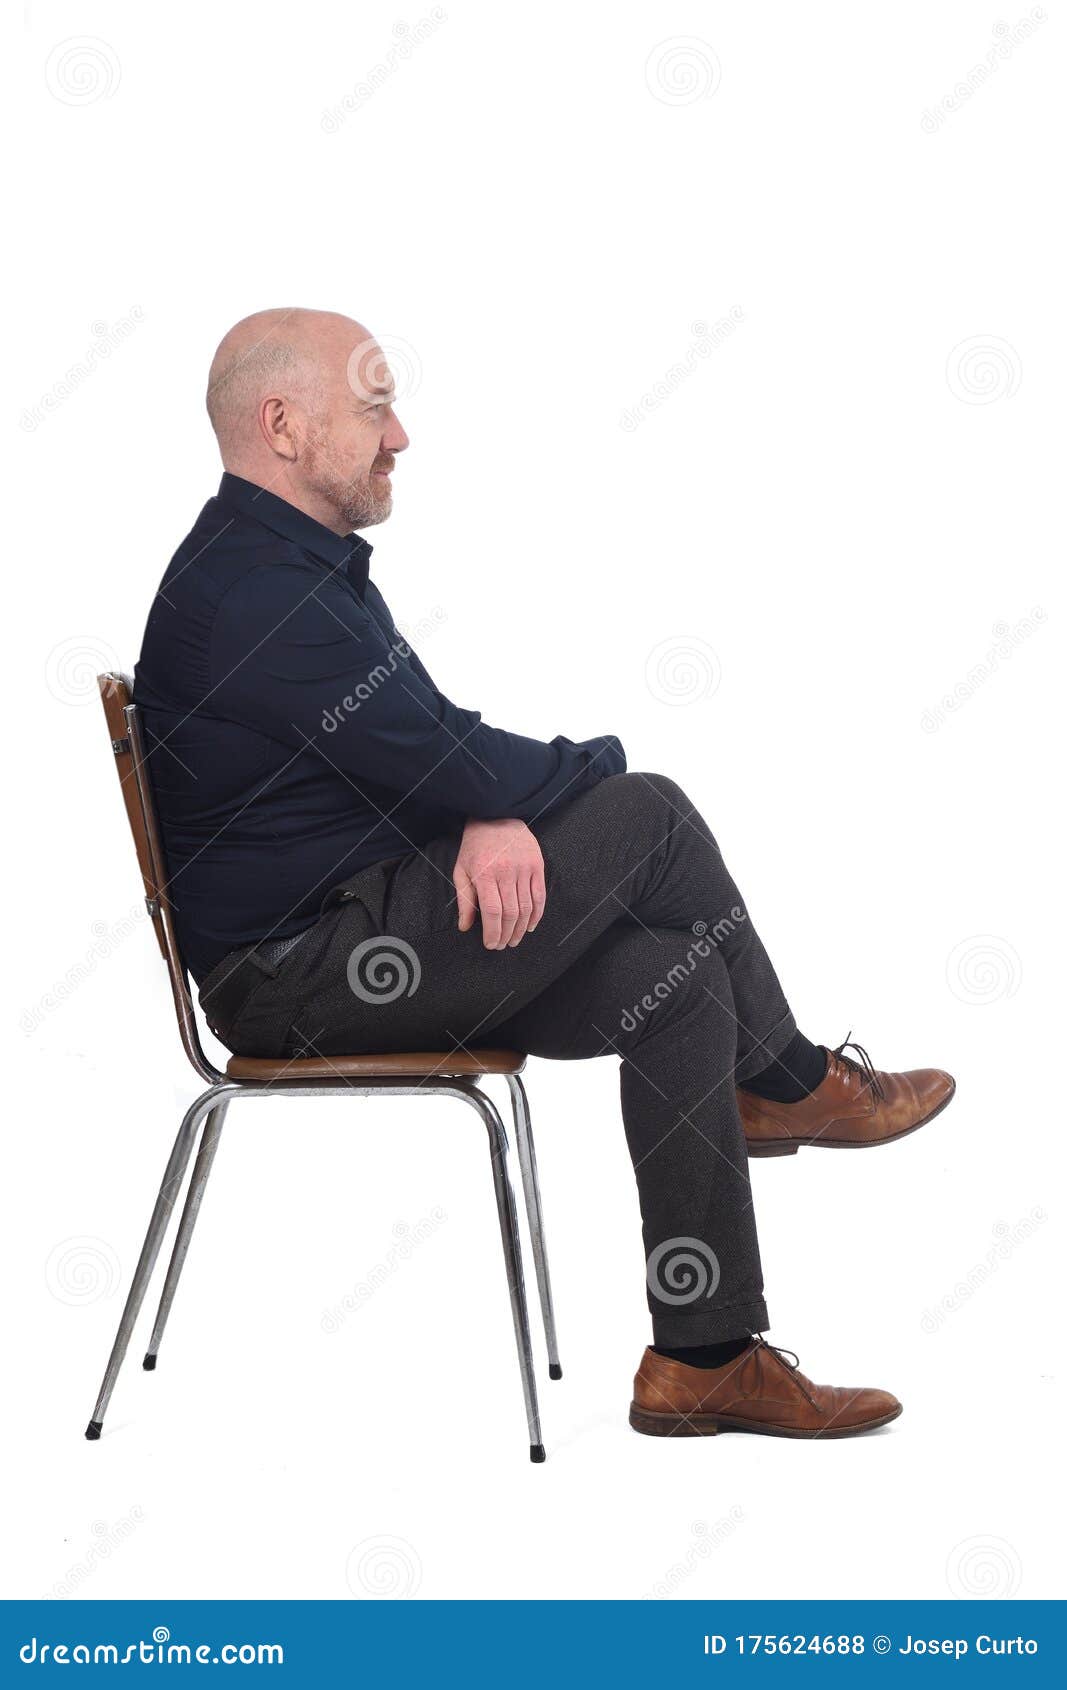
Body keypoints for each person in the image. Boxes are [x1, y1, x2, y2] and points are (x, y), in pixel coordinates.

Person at [134, 309, 955, 1442]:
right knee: (648, 813)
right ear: (282, 425)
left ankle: (701, 1355)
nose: (402, 436)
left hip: (364, 919)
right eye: (374, 408)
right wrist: (514, 787)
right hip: (306, 969)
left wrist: (484, 804)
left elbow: (423, 739)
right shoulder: (257, 596)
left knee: (673, 977)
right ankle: (786, 1078)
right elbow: (440, 753)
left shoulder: (293, 566)